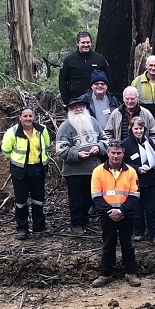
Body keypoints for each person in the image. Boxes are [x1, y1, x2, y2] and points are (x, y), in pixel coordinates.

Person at [90, 142, 141, 288]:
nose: (115, 156)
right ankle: (105, 274)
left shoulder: (131, 171)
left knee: (127, 244)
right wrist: (111, 211)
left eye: (119, 153)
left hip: (126, 214)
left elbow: (134, 195)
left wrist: (121, 210)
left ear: (123, 154)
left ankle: (131, 273)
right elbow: (96, 196)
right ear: (108, 153)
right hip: (107, 215)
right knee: (108, 244)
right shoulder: (98, 171)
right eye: (113, 152)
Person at [56, 96, 106, 235]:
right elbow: (61, 149)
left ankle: (85, 220)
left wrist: (99, 147)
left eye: (80, 106)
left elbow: (105, 140)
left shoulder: (93, 122)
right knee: (76, 199)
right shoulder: (65, 126)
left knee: (90, 197)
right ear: (70, 110)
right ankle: (77, 224)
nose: (78, 109)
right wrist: (77, 154)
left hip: (92, 169)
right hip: (74, 170)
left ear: (85, 108)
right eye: (74, 107)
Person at [2, 107, 51, 240]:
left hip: (38, 169)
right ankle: (22, 228)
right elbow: (6, 151)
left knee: (38, 199)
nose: (28, 119)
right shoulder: (12, 132)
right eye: (25, 116)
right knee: (21, 201)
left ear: (34, 117)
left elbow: (47, 145)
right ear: (20, 117)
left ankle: (39, 227)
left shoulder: (42, 130)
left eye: (30, 116)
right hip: (20, 171)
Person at [122, 117, 155, 243]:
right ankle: (138, 232)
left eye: (141, 129)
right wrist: (137, 168)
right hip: (134, 182)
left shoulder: (148, 141)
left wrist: (149, 165)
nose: (138, 131)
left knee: (152, 209)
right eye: (136, 129)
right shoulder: (126, 143)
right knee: (137, 208)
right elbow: (123, 163)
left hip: (150, 180)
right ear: (131, 129)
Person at [59, 31, 109, 104]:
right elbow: (62, 81)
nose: (86, 45)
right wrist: (67, 100)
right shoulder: (69, 60)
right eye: (83, 42)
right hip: (76, 101)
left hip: (97, 100)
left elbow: (108, 79)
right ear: (77, 43)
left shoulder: (99, 59)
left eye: (88, 42)